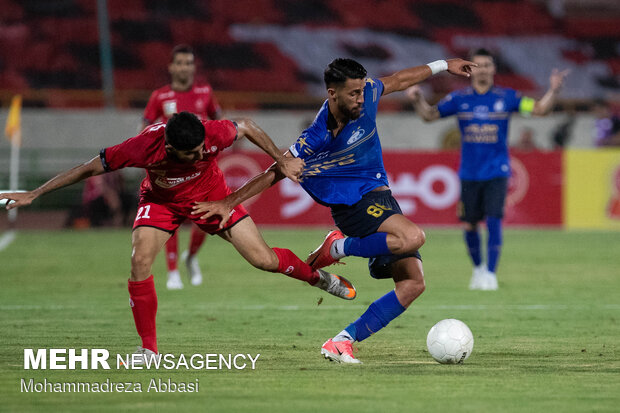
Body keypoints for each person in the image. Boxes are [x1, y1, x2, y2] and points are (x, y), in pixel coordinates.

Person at [0, 112, 357, 364]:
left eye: (204, 148)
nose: (203, 153)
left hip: (213, 199)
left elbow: (246, 126)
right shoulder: (142, 148)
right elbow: (90, 166)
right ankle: (149, 350)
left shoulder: (210, 132)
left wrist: (280, 158)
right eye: (193, 153)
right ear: (171, 149)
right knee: (139, 261)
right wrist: (35, 193)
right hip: (162, 203)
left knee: (263, 260)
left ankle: (318, 276)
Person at [191, 57, 476, 364]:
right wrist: (228, 202)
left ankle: (342, 341)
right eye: (352, 93)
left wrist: (445, 64)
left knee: (412, 284)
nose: (360, 97)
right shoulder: (316, 135)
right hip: (353, 207)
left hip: (381, 198)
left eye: (361, 90)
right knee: (413, 237)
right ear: (332, 93)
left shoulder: (368, 92)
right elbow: (275, 171)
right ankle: (338, 246)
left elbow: (401, 79)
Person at [407, 48, 568, 290]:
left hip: (497, 171)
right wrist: (418, 99)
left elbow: (540, 110)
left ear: (493, 69)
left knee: (494, 221)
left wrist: (553, 90)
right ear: (470, 69)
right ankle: (478, 269)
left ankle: (491, 273)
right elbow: (429, 116)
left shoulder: (508, 98)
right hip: (469, 173)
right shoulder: (459, 99)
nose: (482, 69)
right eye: (478, 65)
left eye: (487, 65)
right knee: (469, 225)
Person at [141, 44, 222, 290]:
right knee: (172, 216)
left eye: (189, 63)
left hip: (202, 170)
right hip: (172, 171)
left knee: (209, 218)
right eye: (180, 63)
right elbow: (143, 128)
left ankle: (191, 256)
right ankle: (173, 271)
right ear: (171, 67)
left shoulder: (205, 91)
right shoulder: (160, 96)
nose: (185, 67)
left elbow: (219, 121)